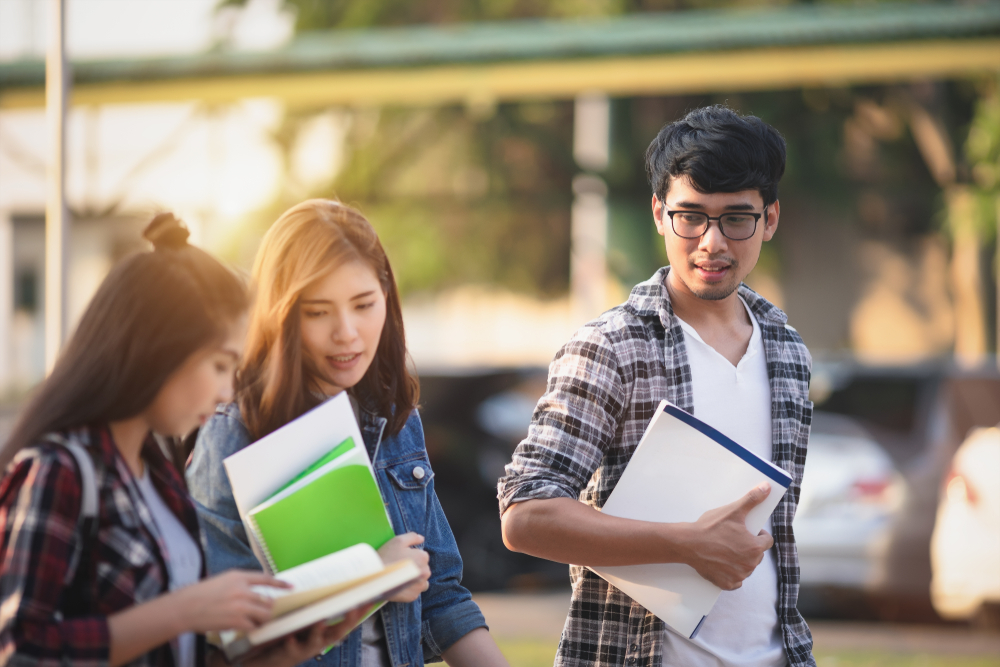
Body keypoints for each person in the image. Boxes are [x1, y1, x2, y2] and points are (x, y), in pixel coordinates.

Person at [498, 105, 815, 667]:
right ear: (658, 213)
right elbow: (525, 514)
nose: (711, 243)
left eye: (735, 219)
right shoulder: (612, 347)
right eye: (690, 216)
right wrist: (682, 544)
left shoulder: (788, 351)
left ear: (770, 220)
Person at [0, 214, 364, 667]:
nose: (227, 391)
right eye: (217, 366)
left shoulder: (160, 479)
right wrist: (183, 611)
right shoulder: (61, 472)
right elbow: (21, 652)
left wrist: (278, 655)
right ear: (158, 349)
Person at [186, 199, 510, 667]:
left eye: (363, 305)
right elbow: (225, 634)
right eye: (318, 312)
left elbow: (441, 598)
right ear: (282, 315)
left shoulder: (396, 421)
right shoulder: (233, 437)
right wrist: (367, 579)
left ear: (387, 298)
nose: (347, 333)